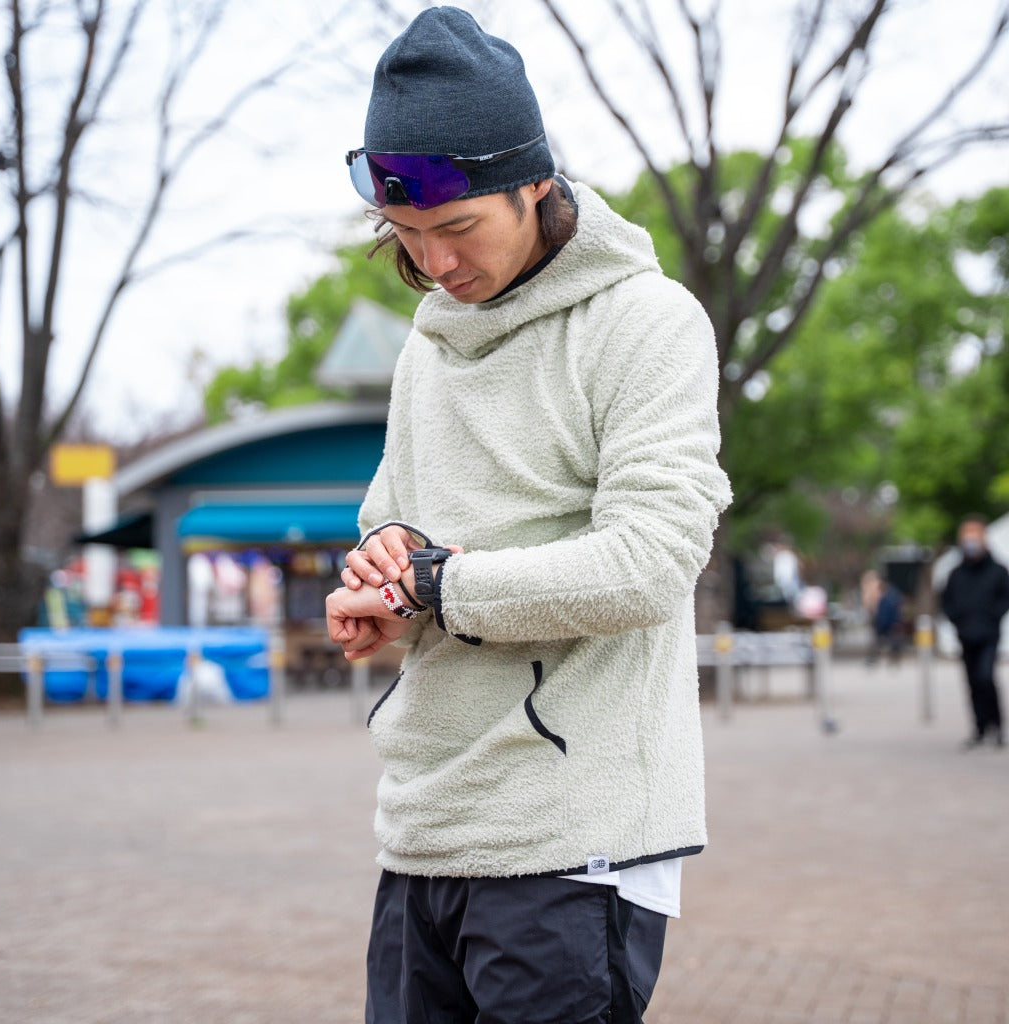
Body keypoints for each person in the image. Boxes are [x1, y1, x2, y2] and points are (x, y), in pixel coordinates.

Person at [325, 8, 731, 1021]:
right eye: (407, 236)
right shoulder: (427, 344)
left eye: (458, 228)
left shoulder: (646, 322)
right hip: (422, 826)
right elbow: (395, 524)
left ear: (534, 182)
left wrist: (439, 583)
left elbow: (650, 561)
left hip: (573, 835)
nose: (435, 263)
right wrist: (384, 574)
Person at [940, 515, 1009, 749]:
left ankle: (997, 726)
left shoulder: (998, 571)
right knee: (972, 683)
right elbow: (946, 601)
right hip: (966, 634)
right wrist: (958, 620)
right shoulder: (956, 573)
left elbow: (1004, 598)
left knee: (986, 677)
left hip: (988, 634)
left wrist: (992, 617)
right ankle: (979, 728)